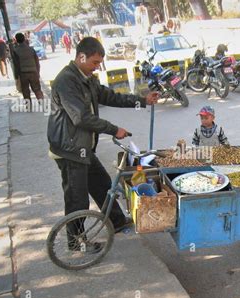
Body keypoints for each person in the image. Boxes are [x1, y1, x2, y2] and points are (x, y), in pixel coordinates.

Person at [47, 37, 159, 252]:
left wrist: (142, 100)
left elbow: (108, 96)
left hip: (83, 148)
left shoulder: (87, 78)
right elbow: (80, 117)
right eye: (95, 62)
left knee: (102, 184)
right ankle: (76, 242)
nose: (97, 67)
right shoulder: (66, 81)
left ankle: (117, 221)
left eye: (99, 63)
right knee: (76, 200)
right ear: (81, 57)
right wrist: (113, 129)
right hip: (69, 149)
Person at [13, 33, 44, 109]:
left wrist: (16, 76)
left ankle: (29, 106)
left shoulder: (15, 50)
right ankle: (43, 104)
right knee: (37, 89)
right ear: (24, 39)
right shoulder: (31, 49)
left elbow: (16, 65)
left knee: (25, 91)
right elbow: (37, 62)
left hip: (23, 74)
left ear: (16, 40)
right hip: (33, 72)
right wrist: (38, 72)